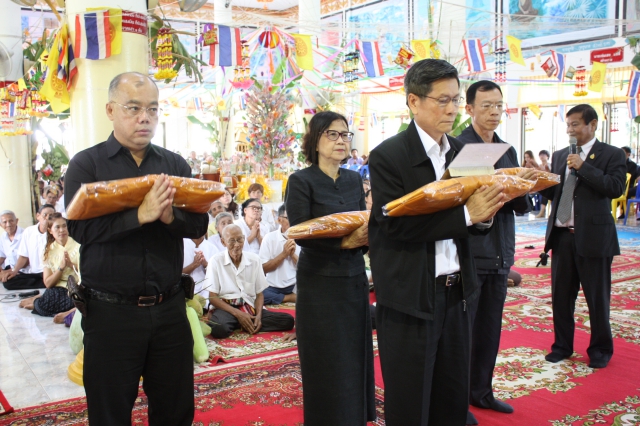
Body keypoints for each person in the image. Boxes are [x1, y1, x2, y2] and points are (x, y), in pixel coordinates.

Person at [65, 72, 208, 425]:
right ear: (111, 110)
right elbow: (80, 229)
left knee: (175, 410)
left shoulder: (174, 166)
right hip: (111, 314)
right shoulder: (88, 165)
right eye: (133, 108)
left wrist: (167, 216)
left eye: (152, 109)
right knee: (110, 412)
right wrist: (139, 215)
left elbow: (199, 225)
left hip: (170, 309)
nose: (144, 117)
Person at [368, 59, 506, 425]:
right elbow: (396, 227)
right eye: (442, 100)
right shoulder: (389, 156)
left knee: (451, 396)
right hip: (411, 298)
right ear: (414, 101)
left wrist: (485, 214)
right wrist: (466, 215)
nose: (451, 109)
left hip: (458, 293)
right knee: (411, 401)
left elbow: (474, 225)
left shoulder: (463, 152)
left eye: (455, 100)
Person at [286, 110, 375, 425]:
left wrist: (364, 240)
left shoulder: (353, 179)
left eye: (345, 134)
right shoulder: (301, 180)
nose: (341, 141)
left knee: (354, 355)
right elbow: (301, 232)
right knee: (326, 359)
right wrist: (345, 242)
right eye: (332, 134)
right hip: (319, 284)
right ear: (315, 140)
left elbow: (362, 224)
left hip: (353, 279)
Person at [457, 80, 535, 424]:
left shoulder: (506, 149)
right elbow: (458, 202)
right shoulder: (459, 147)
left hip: (501, 252)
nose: (494, 112)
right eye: (486, 106)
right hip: (472, 252)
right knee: (464, 330)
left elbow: (520, 207)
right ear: (469, 108)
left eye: (499, 106)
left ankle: (482, 391)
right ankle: (457, 397)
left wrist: (523, 184)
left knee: (490, 328)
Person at [538, 104, 626, 369]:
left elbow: (615, 187)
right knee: (561, 297)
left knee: (597, 297)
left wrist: (584, 167)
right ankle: (562, 346)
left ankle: (600, 349)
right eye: (568, 125)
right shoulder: (560, 155)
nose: (570, 130)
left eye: (575, 124)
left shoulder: (611, 154)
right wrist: (538, 183)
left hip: (594, 238)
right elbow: (557, 193)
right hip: (562, 237)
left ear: (593, 124)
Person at [204, 224, 295, 338]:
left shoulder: (254, 260)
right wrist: (239, 314)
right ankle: (240, 321)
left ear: (244, 239)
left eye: (240, 239)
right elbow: (213, 297)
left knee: (288, 321)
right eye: (232, 241)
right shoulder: (215, 261)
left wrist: (258, 316)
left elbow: (259, 294)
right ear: (223, 242)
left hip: (249, 306)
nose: (237, 244)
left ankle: (243, 322)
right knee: (219, 329)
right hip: (227, 308)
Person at [18, 214, 78, 322]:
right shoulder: (48, 251)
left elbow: (88, 273)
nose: (62, 230)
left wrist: (71, 265)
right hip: (59, 289)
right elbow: (48, 283)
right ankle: (39, 301)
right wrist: (61, 268)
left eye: (64, 226)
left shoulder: (78, 246)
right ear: (50, 231)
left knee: (79, 301)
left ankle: (41, 303)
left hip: (76, 288)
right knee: (50, 297)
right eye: (57, 227)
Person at [2, 204, 55, 290]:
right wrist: (14, 271)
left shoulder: (55, 232)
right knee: (8, 282)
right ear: (38, 216)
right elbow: (23, 256)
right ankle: (47, 283)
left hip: (50, 272)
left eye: (51, 215)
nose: (48, 217)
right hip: (33, 273)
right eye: (45, 215)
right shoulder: (29, 231)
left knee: (55, 278)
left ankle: (49, 282)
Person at [259, 205, 300, 305]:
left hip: (294, 285)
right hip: (273, 287)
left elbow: (306, 268)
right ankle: (290, 298)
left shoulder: (302, 238)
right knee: (259, 296)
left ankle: (288, 297)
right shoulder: (269, 238)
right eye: (289, 218)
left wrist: (292, 255)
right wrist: (283, 254)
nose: (294, 221)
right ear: (279, 220)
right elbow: (263, 269)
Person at [619, 146, 639, 218]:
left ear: (628, 154)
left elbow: (636, 177)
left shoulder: (633, 165)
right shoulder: (617, 163)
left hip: (629, 185)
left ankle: (624, 212)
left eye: (623, 153)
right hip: (619, 184)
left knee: (627, 192)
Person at [537, 150, 552, 218]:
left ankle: (543, 212)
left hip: (550, 184)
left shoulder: (550, 165)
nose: (542, 156)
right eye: (540, 155)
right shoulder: (539, 166)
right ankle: (542, 211)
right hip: (542, 184)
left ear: (547, 156)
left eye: (543, 155)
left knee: (547, 192)